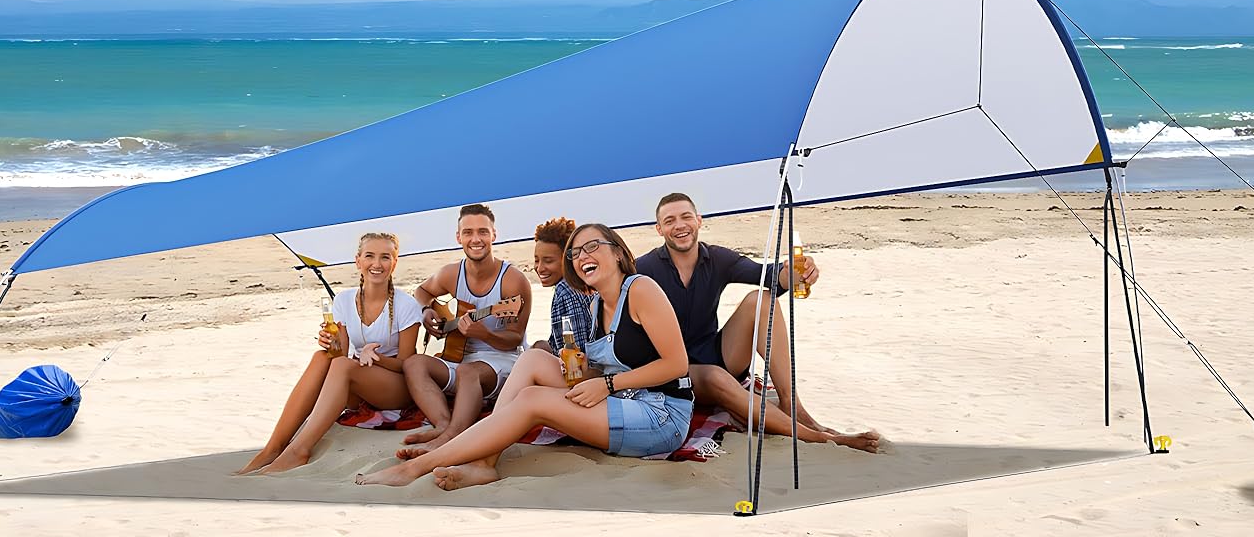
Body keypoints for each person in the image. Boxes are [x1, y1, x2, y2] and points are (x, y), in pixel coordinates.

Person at [357, 223, 693, 489]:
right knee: (531, 360)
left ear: (618, 253)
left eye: (593, 246)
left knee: (533, 400)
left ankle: (416, 468)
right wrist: (581, 371)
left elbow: (677, 365)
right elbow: (604, 367)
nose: (582, 255)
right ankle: (483, 463)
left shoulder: (640, 288)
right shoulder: (594, 305)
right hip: (621, 396)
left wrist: (606, 383)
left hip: (660, 415)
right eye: (575, 252)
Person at [637, 193, 880, 452]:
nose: (680, 225)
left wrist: (795, 273)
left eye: (686, 217)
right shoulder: (643, 267)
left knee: (762, 300)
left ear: (699, 221)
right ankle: (818, 437)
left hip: (717, 354)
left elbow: (769, 276)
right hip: (675, 369)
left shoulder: (717, 258)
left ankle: (790, 404)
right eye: (670, 220)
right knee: (716, 376)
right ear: (659, 229)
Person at [235, 233, 423, 474]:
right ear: (358, 261)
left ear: (394, 263)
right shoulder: (344, 300)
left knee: (344, 366)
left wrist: (375, 357)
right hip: (359, 382)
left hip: (397, 388)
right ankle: (274, 448)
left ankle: (299, 450)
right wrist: (331, 342)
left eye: (385, 257)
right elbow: (340, 356)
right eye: (369, 256)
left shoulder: (406, 306)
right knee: (321, 357)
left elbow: (408, 365)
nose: (377, 264)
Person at [397, 204, 533, 459]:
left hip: (502, 359)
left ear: (494, 235)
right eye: (468, 232)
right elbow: (422, 291)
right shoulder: (451, 273)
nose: (476, 239)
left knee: (468, 371)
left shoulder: (513, 280)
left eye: (483, 231)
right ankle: (442, 424)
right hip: (458, 356)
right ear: (458, 237)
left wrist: (484, 334)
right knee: (414, 363)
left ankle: (451, 438)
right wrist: (427, 310)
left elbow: (515, 339)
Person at [527, 216, 594, 354]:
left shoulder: (566, 290)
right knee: (538, 347)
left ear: (568, 259)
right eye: (536, 260)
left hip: (582, 370)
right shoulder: (586, 281)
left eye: (548, 261)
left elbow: (576, 351)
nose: (539, 268)